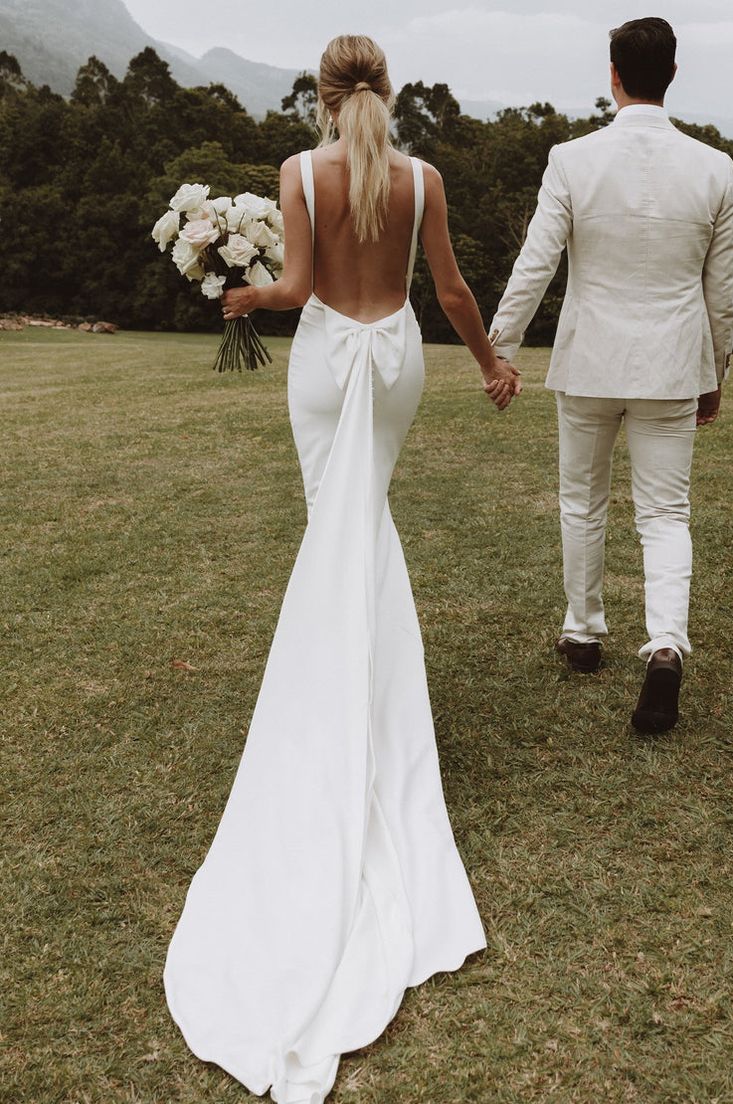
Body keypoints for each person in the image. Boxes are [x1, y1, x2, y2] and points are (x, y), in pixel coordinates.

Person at [164, 34, 519, 1104]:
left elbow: (301, 288)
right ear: (387, 93)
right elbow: (450, 291)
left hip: (325, 361)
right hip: (398, 357)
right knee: (359, 528)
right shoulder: (423, 178)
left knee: (340, 525)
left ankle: (339, 707)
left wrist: (245, 296)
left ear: (321, 96)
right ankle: (368, 703)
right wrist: (496, 362)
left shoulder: (298, 171)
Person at [488, 16, 733, 733]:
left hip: (590, 359)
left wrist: (502, 345)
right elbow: (723, 291)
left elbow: (536, 262)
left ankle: (583, 631)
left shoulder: (572, 158)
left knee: (581, 500)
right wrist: (716, 368)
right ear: (674, 74)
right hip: (673, 364)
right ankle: (663, 647)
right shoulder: (716, 168)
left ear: (613, 74)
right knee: (665, 513)